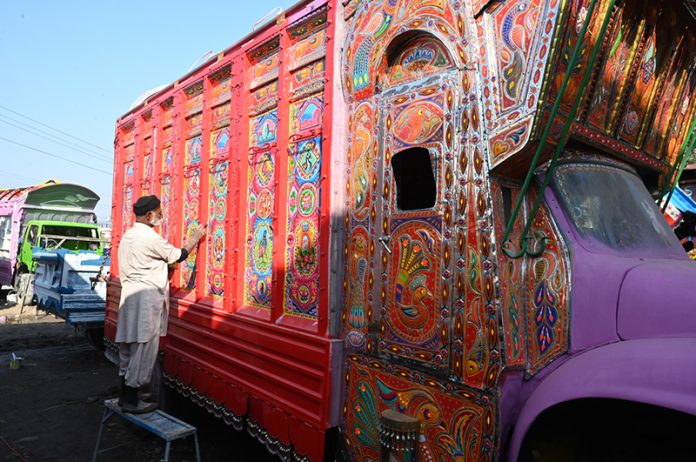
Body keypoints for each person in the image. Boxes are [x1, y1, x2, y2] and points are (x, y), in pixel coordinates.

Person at [116, 195, 206, 413]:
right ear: (148, 215)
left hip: (129, 297)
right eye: (159, 212)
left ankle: (124, 396)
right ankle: (134, 400)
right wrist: (195, 238)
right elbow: (179, 255)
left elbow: (145, 263)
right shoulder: (150, 238)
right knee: (144, 348)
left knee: (128, 346)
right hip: (146, 300)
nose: (162, 216)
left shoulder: (128, 236)